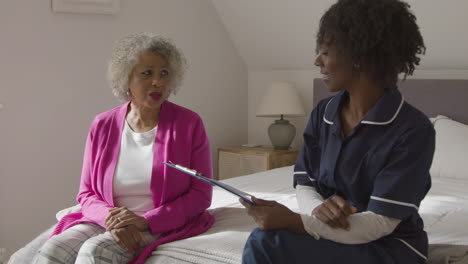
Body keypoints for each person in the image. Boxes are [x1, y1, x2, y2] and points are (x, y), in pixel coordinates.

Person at [240, 0, 434, 263]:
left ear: (357, 57)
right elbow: (306, 181)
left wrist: (299, 222)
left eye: (326, 52)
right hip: (332, 234)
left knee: (264, 243)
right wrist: (318, 210)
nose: (317, 60)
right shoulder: (323, 113)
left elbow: (380, 223)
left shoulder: (413, 130)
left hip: (390, 247)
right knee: (265, 241)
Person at [34, 32, 214, 264]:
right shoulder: (102, 124)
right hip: (108, 218)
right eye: (147, 73)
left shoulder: (189, 123)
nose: (157, 81)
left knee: (97, 251)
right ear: (126, 78)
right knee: (54, 249)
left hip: (160, 221)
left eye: (164, 73)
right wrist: (113, 219)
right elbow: (86, 192)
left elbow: (201, 194)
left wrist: (146, 221)